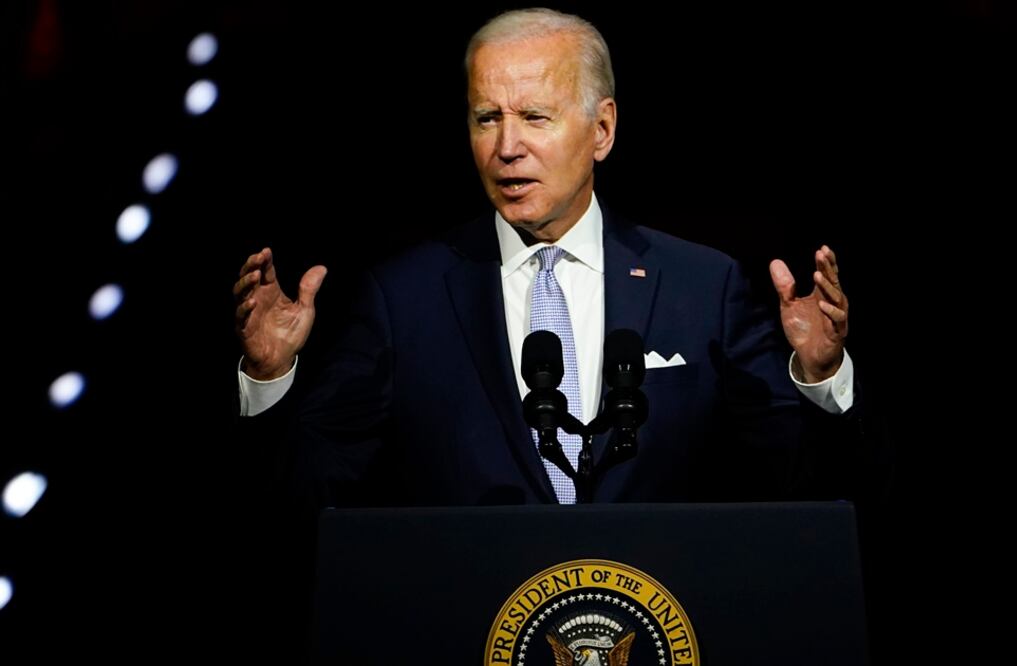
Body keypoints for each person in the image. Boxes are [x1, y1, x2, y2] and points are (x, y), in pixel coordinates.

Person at [232, 8, 865, 509]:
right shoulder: (404, 299)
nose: (507, 147)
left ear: (602, 130)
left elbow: (806, 485)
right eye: (486, 118)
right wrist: (269, 381)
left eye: (535, 116)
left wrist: (823, 379)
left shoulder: (702, 286)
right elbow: (304, 494)